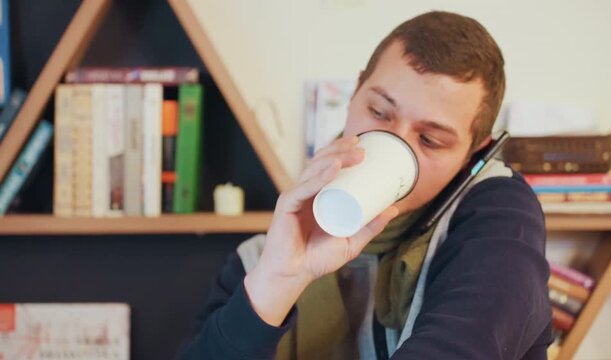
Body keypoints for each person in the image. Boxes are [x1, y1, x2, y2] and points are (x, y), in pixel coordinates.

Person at [179, 10, 552, 360]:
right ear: (355, 91)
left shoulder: (496, 215)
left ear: (474, 153)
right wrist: (279, 279)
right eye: (378, 112)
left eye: (430, 140)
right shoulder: (263, 256)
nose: (394, 141)